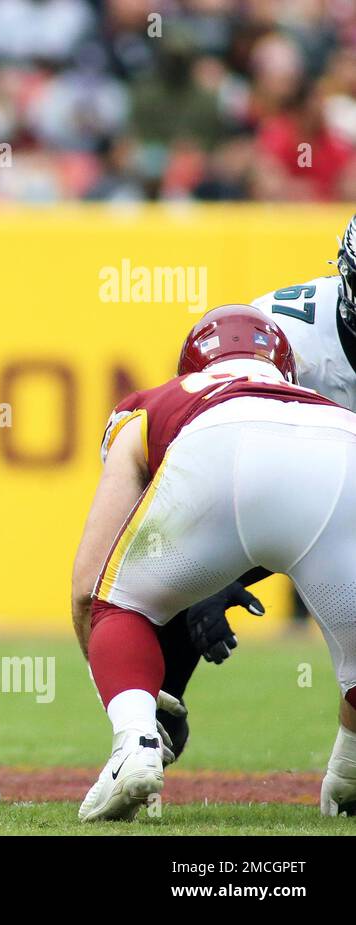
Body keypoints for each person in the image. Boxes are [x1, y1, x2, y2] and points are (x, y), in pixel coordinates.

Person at [71, 305, 356, 821]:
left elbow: (87, 590)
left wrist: (130, 698)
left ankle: (134, 748)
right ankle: (352, 768)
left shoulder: (157, 402)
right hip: (339, 448)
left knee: (120, 603)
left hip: (213, 442)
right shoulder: (325, 403)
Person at [156, 212, 356, 764]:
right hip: (274, 477)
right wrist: (212, 570)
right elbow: (218, 459)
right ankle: (149, 720)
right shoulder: (282, 329)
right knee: (168, 559)